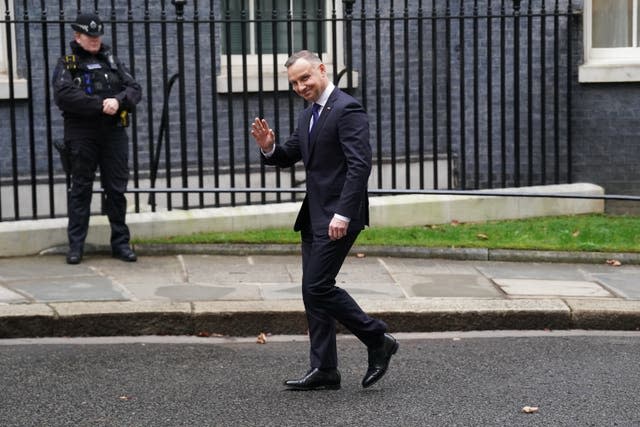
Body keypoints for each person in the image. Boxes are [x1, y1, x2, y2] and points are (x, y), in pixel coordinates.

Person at [251, 50, 398, 390]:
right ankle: (325, 369)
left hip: (338, 217)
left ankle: (378, 338)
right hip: (314, 216)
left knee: (318, 286)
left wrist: (343, 214)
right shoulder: (308, 115)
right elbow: (288, 154)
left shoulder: (347, 109)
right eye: (294, 83)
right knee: (311, 291)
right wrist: (269, 147)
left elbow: (360, 165)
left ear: (321, 69)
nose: (301, 86)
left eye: (305, 78)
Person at [52, 13, 141, 265]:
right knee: (81, 189)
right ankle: (76, 247)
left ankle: (121, 244)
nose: (94, 40)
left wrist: (119, 101)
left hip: (113, 133)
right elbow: (64, 95)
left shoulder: (112, 61)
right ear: (77, 36)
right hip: (83, 134)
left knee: (116, 191)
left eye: (97, 36)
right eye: (89, 36)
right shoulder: (68, 63)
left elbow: (134, 88)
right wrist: (100, 104)